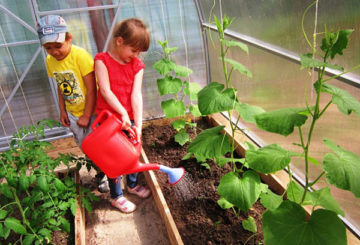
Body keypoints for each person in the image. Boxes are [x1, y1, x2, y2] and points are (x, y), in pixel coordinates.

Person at [37, 15, 109, 192]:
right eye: (48, 47)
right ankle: (102, 171)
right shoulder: (50, 61)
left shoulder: (80, 56)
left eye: (58, 45)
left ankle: (110, 174)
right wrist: (62, 110)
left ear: (69, 38)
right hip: (73, 113)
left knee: (99, 145)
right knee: (86, 147)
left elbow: (93, 89)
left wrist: (86, 115)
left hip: (91, 112)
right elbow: (61, 86)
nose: (54, 51)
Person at [94, 18, 151, 213]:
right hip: (109, 120)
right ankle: (116, 196)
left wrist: (138, 125)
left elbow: (136, 95)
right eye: (133, 50)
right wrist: (122, 113)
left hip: (129, 119)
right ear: (119, 41)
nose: (136, 56)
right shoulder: (102, 60)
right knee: (115, 158)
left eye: (139, 52)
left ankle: (132, 185)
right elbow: (105, 91)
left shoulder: (137, 66)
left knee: (133, 152)